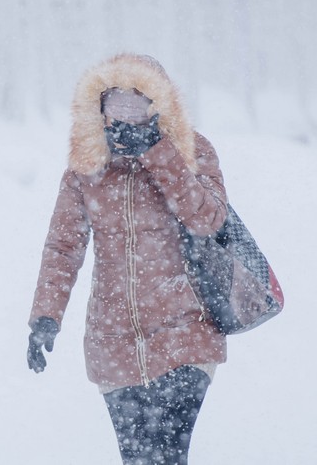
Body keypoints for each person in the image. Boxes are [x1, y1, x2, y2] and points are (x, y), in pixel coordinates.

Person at [27, 53, 229, 464]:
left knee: (168, 456)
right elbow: (63, 246)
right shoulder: (86, 167)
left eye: (136, 105)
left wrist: (159, 153)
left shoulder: (192, 150)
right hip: (114, 343)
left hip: (184, 336)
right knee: (138, 460)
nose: (123, 117)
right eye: (113, 105)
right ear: (98, 109)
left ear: (157, 107)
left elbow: (208, 219)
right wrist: (46, 316)